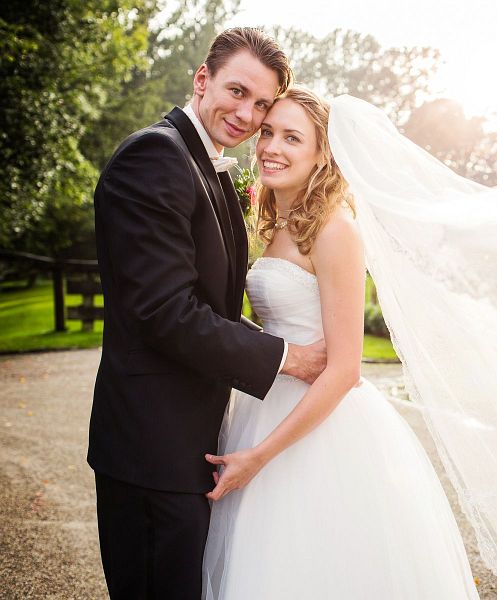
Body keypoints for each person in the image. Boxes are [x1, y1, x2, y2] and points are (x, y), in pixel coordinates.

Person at [201, 86, 479, 599]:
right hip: (265, 404)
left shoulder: (334, 229)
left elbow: (347, 369)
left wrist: (260, 456)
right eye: (267, 133)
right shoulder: (276, 221)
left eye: (291, 137)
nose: (271, 147)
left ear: (322, 154)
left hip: (319, 430)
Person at [88, 28, 328, 599]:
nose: (248, 115)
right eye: (237, 91)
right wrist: (288, 358)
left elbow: (208, 305)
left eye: (263, 105)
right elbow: (164, 311)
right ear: (203, 80)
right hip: (152, 449)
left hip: (183, 445)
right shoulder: (156, 157)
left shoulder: (201, 162)